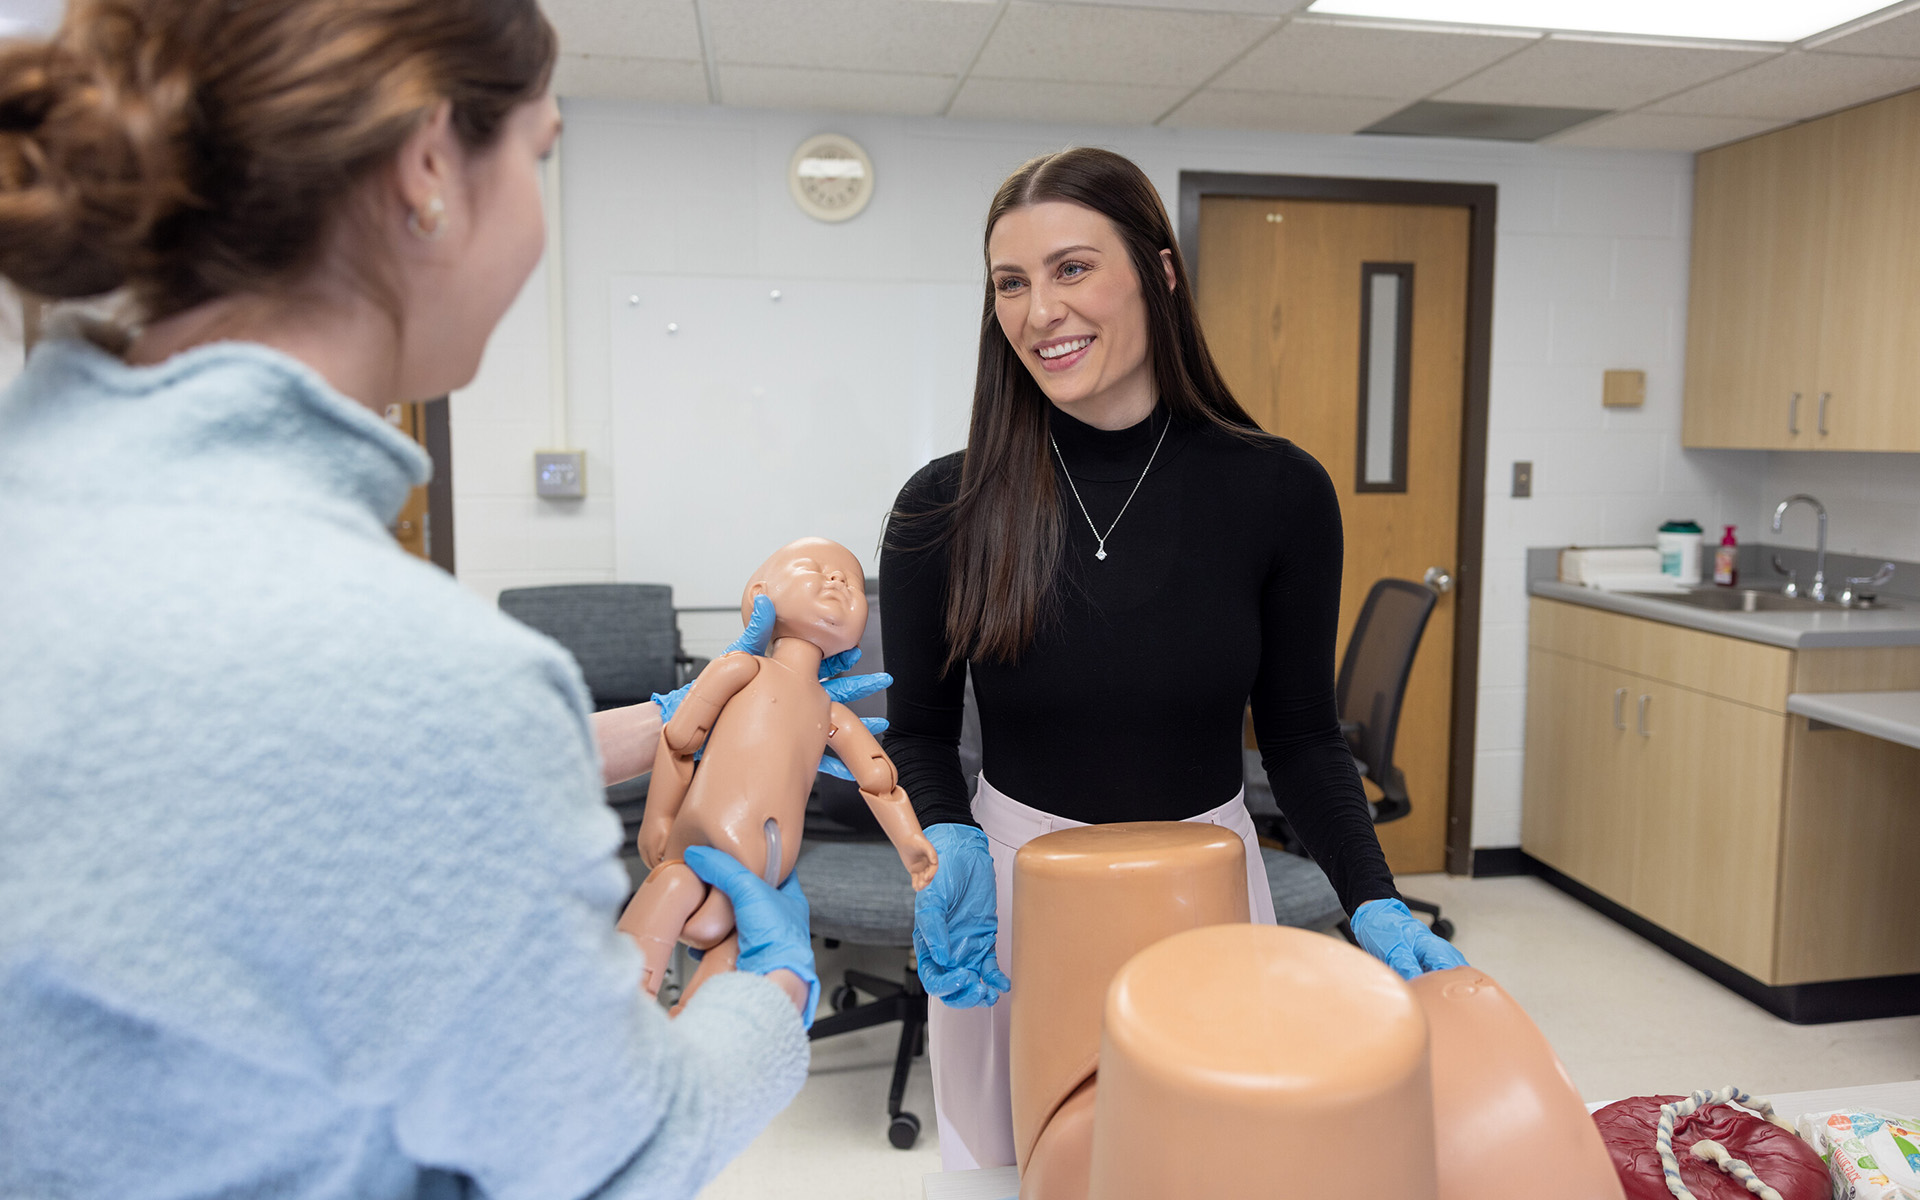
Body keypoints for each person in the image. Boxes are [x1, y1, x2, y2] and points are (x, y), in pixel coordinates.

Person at [0, 2, 879, 1196]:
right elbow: (610, 1152)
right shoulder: (412, 676)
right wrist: (769, 1001)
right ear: (429, 167)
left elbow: (256, 763)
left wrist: (650, 722)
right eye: (541, 154)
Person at [881, 147, 1469, 1171]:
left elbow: (1299, 734)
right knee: (1022, 1170)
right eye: (1011, 283)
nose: (1038, 311)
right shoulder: (947, 504)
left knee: (1207, 1170)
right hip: (1016, 902)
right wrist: (945, 842)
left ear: (1159, 273)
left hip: (1208, 891)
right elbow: (922, 733)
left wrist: (1371, 893)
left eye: (1072, 268)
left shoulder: (1279, 492)